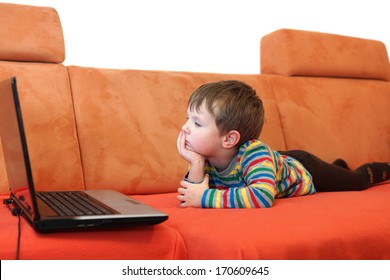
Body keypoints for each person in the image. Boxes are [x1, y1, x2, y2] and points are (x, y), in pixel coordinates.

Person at [176, 80, 390, 208]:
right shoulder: (204, 156)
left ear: (229, 139)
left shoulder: (254, 154)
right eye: (187, 118)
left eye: (196, 123)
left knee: (357, 181)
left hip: (306, 169)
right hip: (275, 164)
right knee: (338, 172)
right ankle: (338, 166)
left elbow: (261, 196)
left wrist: (205, 197)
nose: (185, 127)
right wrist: (195, 164)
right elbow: (190, 199)